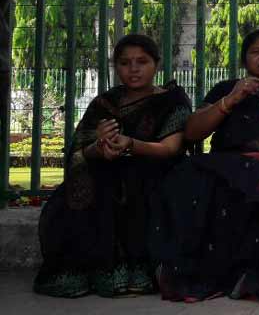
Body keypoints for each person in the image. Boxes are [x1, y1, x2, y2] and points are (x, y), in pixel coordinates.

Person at [149, 29, 259, 302]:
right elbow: (193, 132)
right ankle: (206, 272)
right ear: (244, 61)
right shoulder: (226, 89)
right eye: (256, 51)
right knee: (189, 176)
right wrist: (230, 100)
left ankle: (258, 274)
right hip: (230, 163)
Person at [34, 34, 191, 297]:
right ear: (115, 66)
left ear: (157, 65)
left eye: (142, 61)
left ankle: (134, 271)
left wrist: (130, 144)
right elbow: (80, 150)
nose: (133, 69)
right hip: (107, 171)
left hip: (156, 173)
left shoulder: (172, 101)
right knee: (85, 186)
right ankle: (87, 271)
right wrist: (100, 146)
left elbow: (170, 148)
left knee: (128, 183)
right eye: (125, 63)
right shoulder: (104, 103)